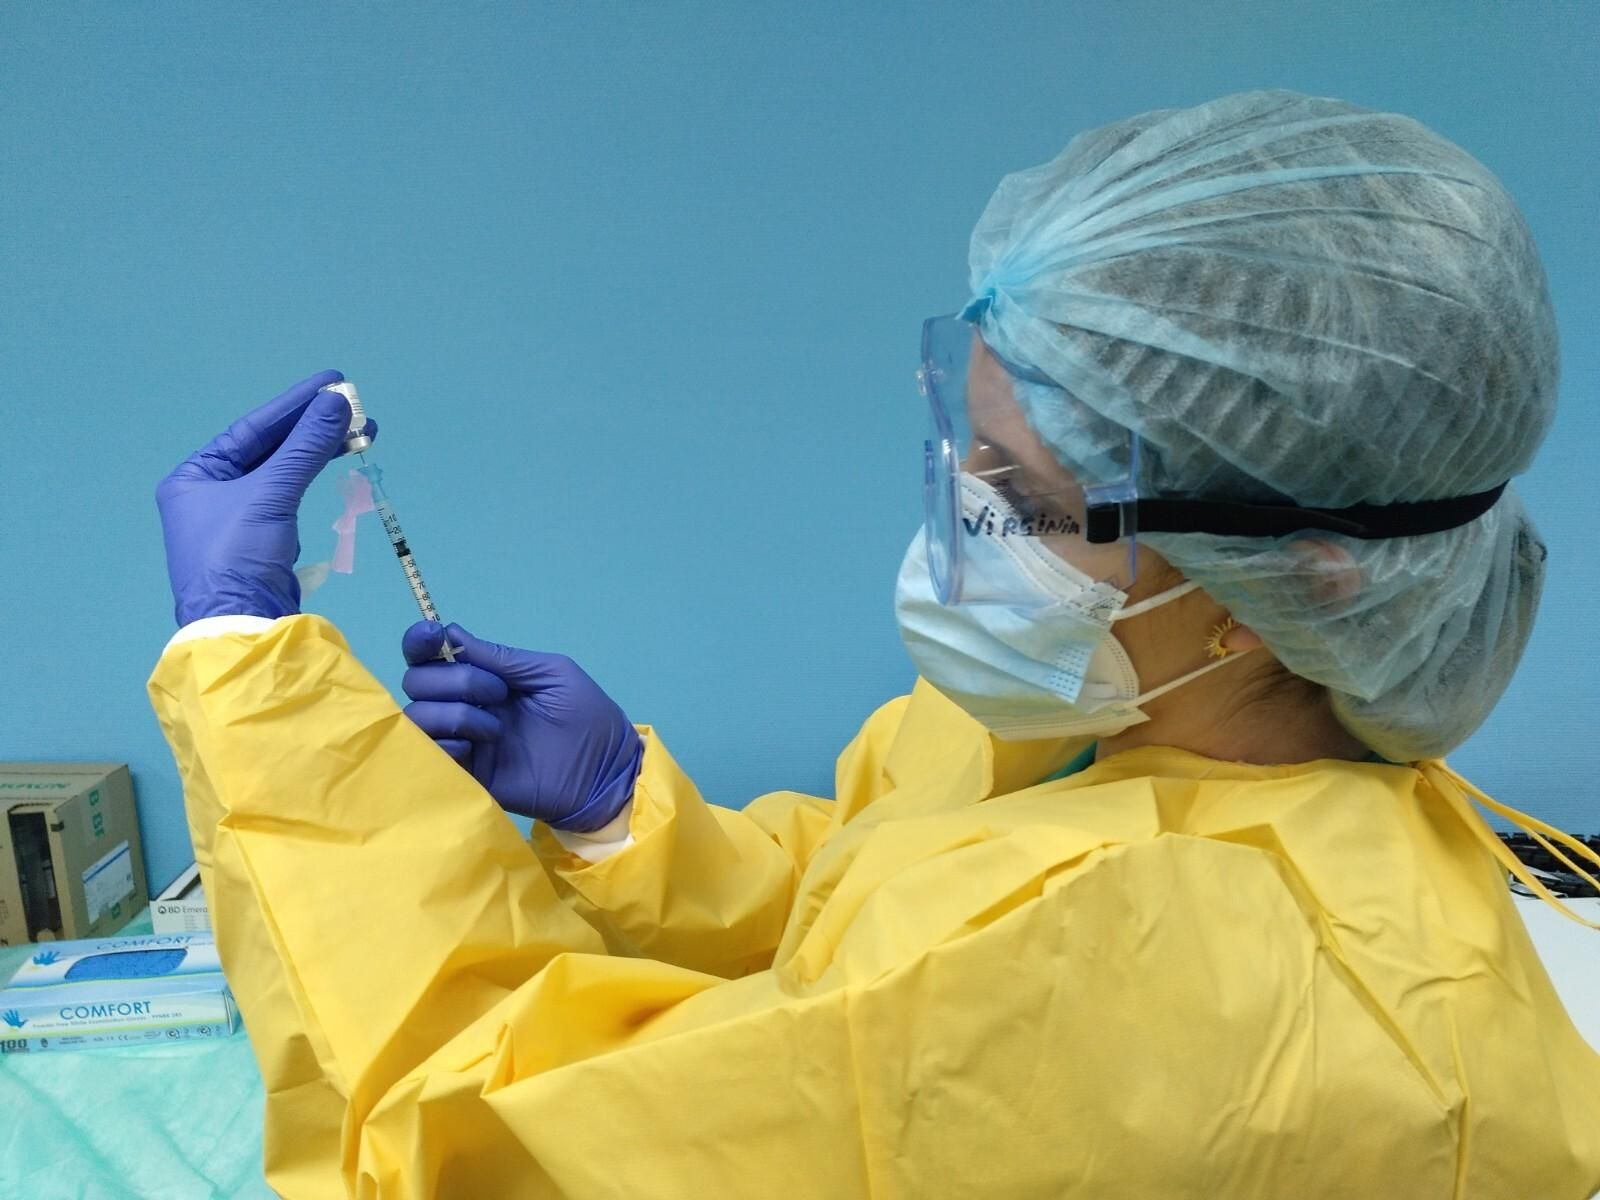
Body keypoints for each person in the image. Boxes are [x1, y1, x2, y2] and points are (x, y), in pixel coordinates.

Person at [150, 90, 1600, 1199]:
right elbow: (875, 891)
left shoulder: (1149, 976)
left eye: (1026, 499)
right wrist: (620, 822)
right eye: (968, 450)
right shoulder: (1117, 714)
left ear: (1307, 579)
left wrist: (251, 679)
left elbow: (467, 1144)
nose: (966, 520)